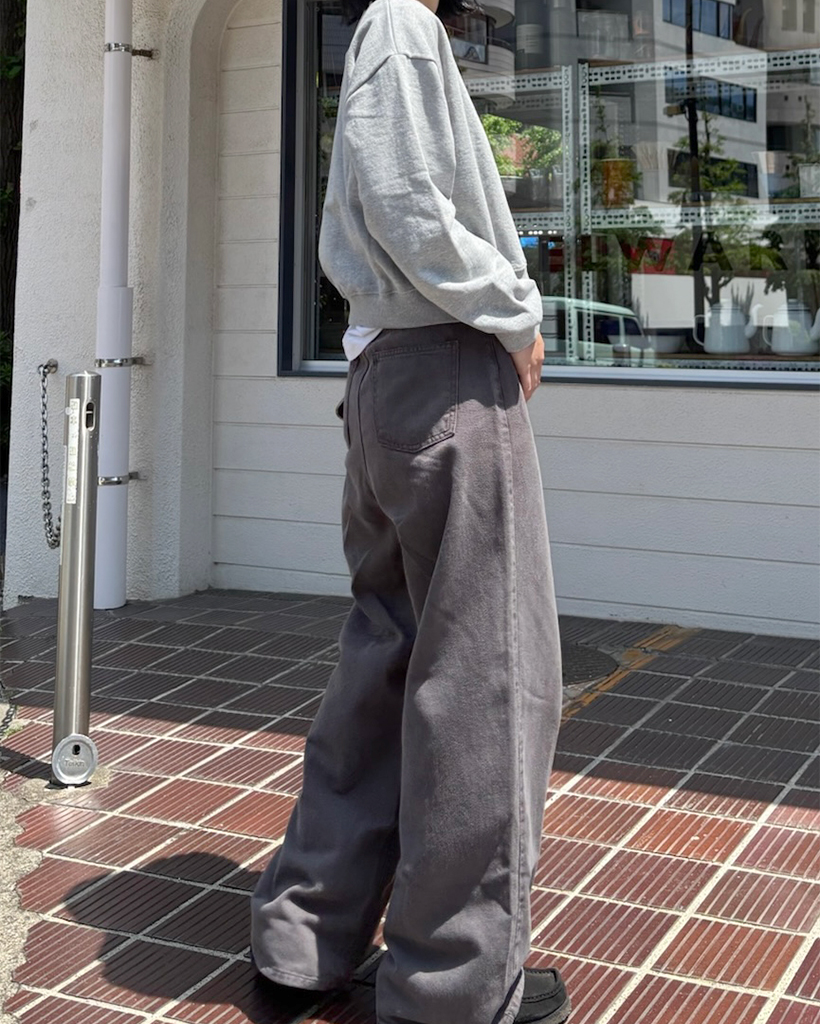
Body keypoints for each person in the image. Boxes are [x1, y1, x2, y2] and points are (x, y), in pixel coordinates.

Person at [250, 0, 568, 1020]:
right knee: (486, 679)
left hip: (391, 373)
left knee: (384, 663)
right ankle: (454, 984)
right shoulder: (400, 21)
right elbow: (405, 202)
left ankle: (305, 937)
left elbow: (388, 204)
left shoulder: (381, 30)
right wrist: (514, 314)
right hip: (444, 371)